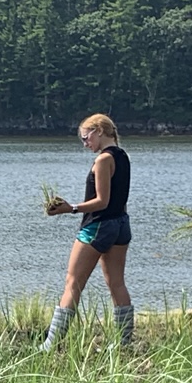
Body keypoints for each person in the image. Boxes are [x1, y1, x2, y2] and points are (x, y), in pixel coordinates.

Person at [41, 114, 134, 351]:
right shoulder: (123, 156)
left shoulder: (103, 160)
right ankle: (124, 344)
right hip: (121, 225)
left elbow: (102, 201)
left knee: (73, 283)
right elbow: (118, 201)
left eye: (86, 137)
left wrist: (69, 208)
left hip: (98, 226)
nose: (85, 144)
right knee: (116, 283)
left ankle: (51, 345)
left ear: (99, 131)